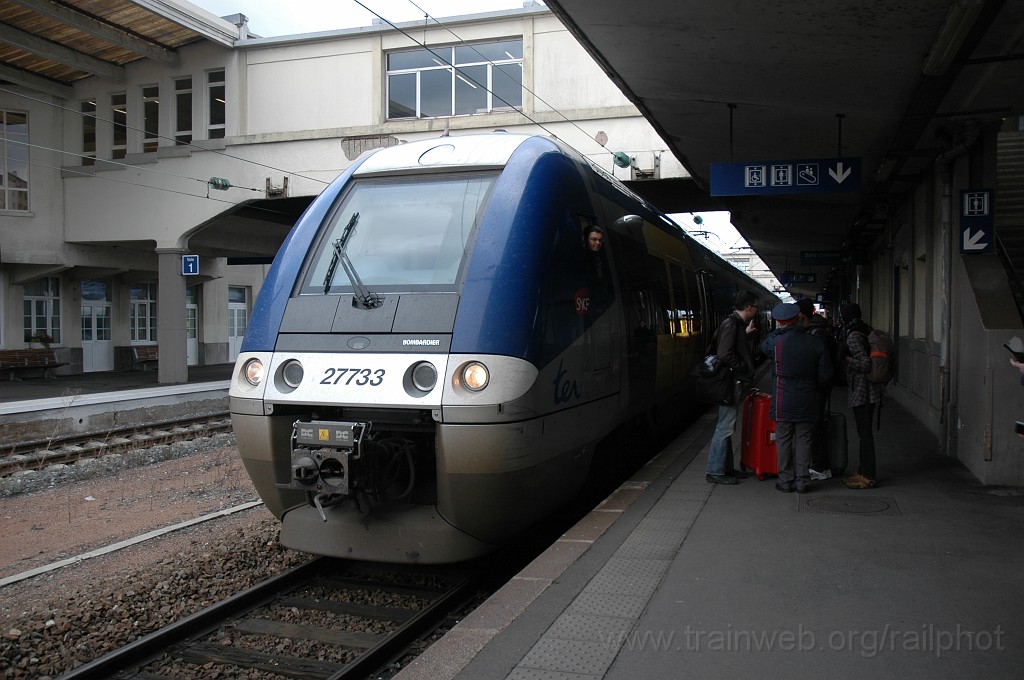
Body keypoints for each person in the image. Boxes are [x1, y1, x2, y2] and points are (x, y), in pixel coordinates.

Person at [760, 303, 833, 493]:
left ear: (779, 322)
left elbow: (764, 346)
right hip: (808, 400)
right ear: (797, 319)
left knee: (783, 441)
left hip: (783, 400)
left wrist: (779, 331)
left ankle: (785, 481)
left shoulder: (776, 343)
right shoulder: (815, 342)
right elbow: (826, 375)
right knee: (804, 440)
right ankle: (803, 481)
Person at [706, 290, 759, 485]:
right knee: (725, 426)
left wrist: (745, 335)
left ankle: (725, 468)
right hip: (731, 382)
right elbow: (724, 354)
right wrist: (743, 367)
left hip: (733, 380)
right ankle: (715, 471)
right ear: (748, 307)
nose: (756, 309)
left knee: (728, 426)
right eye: (755, 306)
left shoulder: (736, 324)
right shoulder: (731, 323)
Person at [839, 302, 883, 489]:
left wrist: (847, 359)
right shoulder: (863, 329)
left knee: (864, 435)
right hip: (868, 391)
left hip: (863, 392)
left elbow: (865, 364)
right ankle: (862, 471)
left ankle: (868, 476)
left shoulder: (853, 336)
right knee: (864, 434)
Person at [795, 298, 835, 480]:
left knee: (816, 428)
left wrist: (817, 388)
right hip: (818, 388)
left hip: (817, 389)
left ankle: (821, 467)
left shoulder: (816, 335)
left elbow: (823, 367)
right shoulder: (816, 331)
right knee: (815, 427)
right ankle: (820, 465)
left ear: (801, 314)